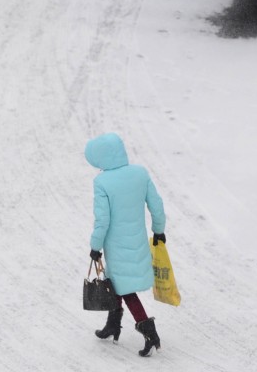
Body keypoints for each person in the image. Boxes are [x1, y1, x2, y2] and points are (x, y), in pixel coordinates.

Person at [85, 132, 167, 357]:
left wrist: (95, 246)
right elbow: (156, 206)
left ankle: (149, 330)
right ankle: (113, 325)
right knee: (116, 283)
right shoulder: (140, 174)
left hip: (115, 244)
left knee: (125, 288)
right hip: (137, 241)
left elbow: (103, 220)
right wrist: (159, 230)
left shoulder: (102, 182)